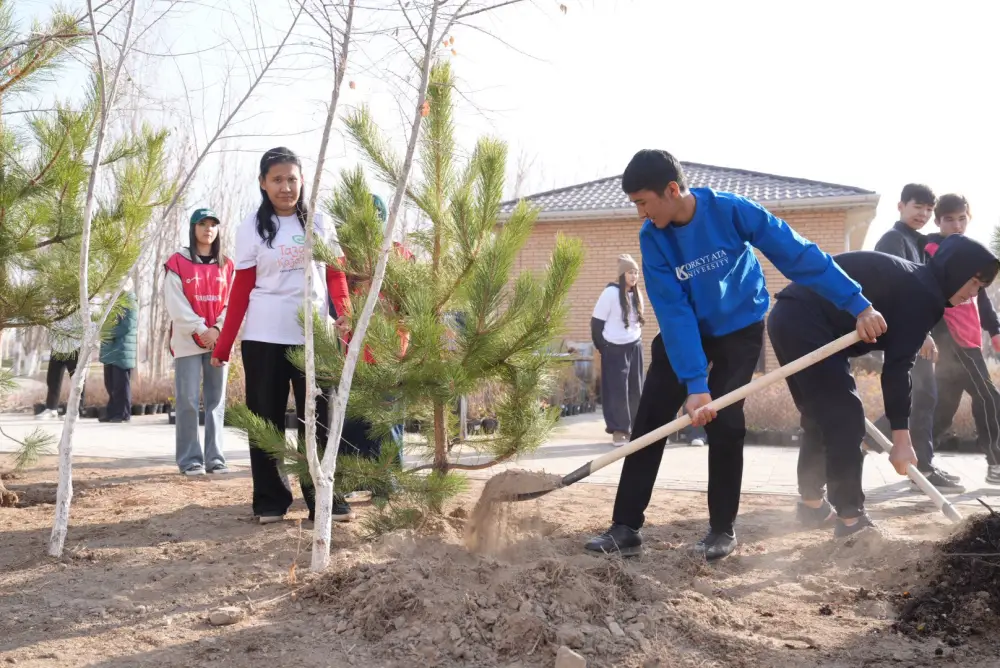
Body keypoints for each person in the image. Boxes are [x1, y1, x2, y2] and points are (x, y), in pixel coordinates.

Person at [584, 149, 886, 561]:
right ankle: (625, 526)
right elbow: (673, 311)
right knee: (651, 417)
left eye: (643, 202)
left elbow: (797, 254)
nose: (640, 213)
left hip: (739, 329)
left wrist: (857, 303)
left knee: (726, 422)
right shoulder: (653, 238)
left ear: (671, 190)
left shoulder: (731, 211)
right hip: (686, 330)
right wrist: (695, 384)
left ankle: (721, 530)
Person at [768, 235, 999, 535]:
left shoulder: (919, 284)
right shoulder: (924, 294)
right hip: (805, 322)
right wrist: (901, 440)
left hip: (788, 317)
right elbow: (897, 370)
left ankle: (812, 506)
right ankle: (851, 521)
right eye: (973, 283)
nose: (972, 294)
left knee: (821, 416)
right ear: (954, 270)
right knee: (845, 418)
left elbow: (898, 346)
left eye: (980, 288)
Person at [212, 147, 352, 525]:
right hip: (264, 338)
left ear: (302, 180)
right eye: (277, 180)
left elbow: (336, 275)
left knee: (320, 420)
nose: (285, 187)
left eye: (292, 179)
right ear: (263, 183)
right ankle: (271, 500)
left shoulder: (320, 222)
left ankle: (325, 497)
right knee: (266, 421)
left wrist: (345, 315)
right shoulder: (251, 227)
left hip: (315, 338)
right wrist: (224, 344)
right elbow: (241, 289)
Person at [865, 184, 960, 490]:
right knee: (923, 396)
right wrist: (922, 333)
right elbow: (896, 292)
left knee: (921, 398)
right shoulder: (893, 239)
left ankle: (866, 443)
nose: (923, 214)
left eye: (929, 210)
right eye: (918, 207)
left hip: (910, 331)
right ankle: (923, 469)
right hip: (902, 332)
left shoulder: (916, 242)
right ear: (901, 206)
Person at [923, 195, 1000, 485]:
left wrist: (994, 330)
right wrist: (935, 336)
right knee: (989, 398)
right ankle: (996, 465)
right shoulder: (931, 250)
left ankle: (919, 463)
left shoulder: (969, 253)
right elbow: (927, 295)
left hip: (969, 340)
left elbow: (982, 299)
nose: (956, 225)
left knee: (943, 410)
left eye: (962, 219)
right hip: (953, 342)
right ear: (938, 221)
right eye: (949, 219)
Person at [337, 194, 409, 479]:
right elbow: (337, 302)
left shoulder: (399, 255)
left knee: (387, 421)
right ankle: (354, 478)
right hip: (355, 353)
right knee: (354, 421)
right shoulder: (346, 261)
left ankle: (388, 481)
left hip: (390, 352)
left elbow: (413, 304)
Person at [164, 207, 235, 476]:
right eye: (202, 224)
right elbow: (176, 303)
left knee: (216, 401)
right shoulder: (177, 262)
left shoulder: (227, 265)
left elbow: (233, 302)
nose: (208, 229)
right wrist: (200, 329)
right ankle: (190, 460)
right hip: (186, 341)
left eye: (213, 224)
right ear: (193, 228)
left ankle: (215, 458)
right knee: (188, 401)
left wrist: (217, 329)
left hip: (219, 341)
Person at [591, 254, 645, 447]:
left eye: (636, 272)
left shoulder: (637, 294)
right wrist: (603, 347)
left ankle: (636, 428)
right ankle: (620, 430)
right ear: (622, 274)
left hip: (634, 345)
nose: (634, 276)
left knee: (636, 388)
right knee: (617, 390)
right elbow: (596, 323)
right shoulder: (610, 293)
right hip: (613, 348)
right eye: (630, 272)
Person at [99, 281, 138, 423]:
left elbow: (127, 325)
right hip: (109, 348)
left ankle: (123, 413)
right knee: (110, 383)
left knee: (120, 384)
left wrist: (108, 333)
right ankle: (112, 412)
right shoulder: (111, 301)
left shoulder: (130, 301)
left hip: (122, 349)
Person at [39, 311, 85, 420]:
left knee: (77, 380)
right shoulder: (56, 304)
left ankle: (75, 411)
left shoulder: (79, 304)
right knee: (52, 379)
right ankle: (51, 408)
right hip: (57, 346)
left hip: (75, 346)